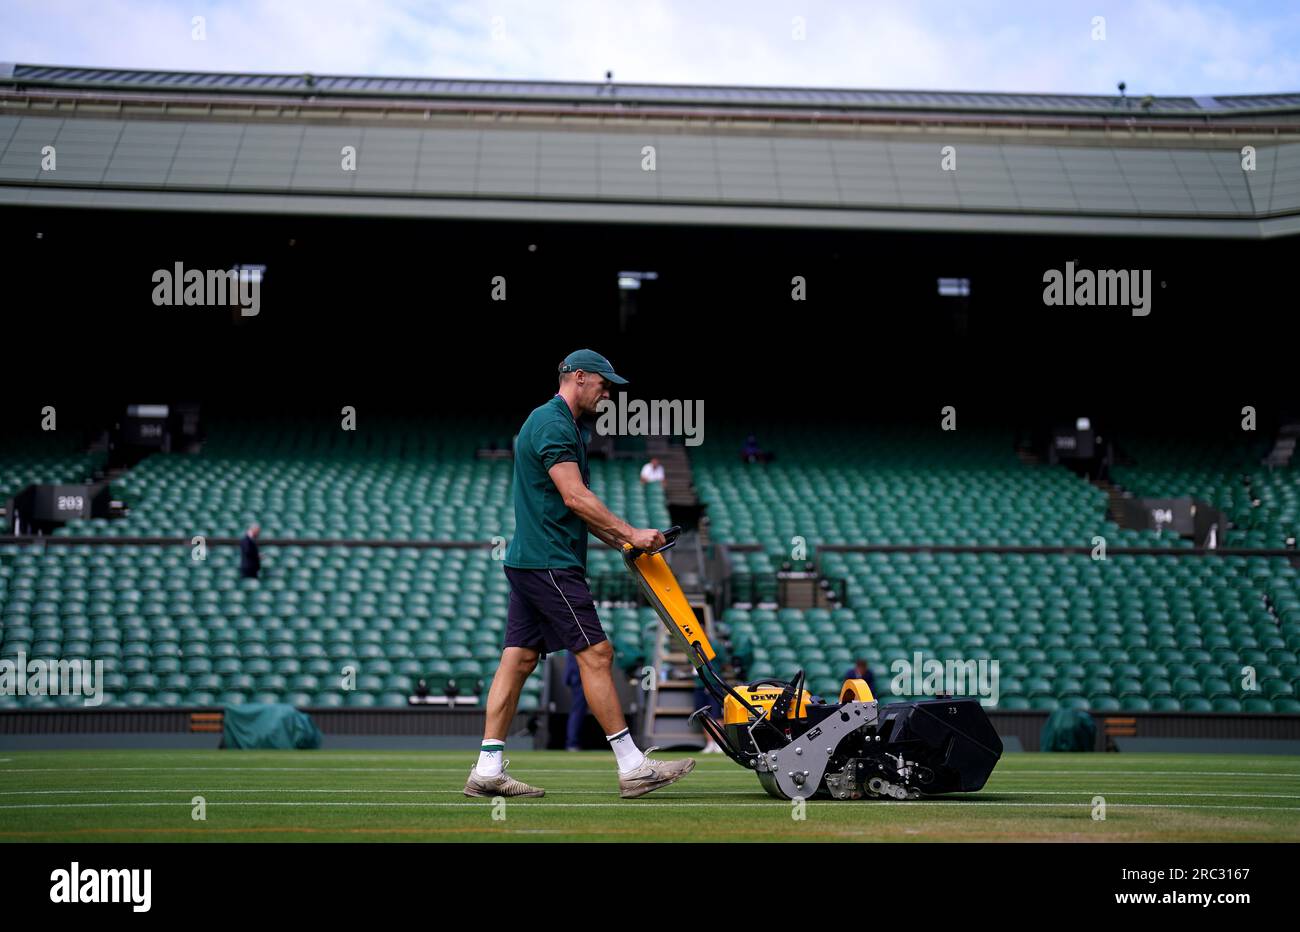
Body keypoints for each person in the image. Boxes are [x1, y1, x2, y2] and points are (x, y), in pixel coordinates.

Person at [464, 349, 695, 799]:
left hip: (532, 560)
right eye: (604, 384)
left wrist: (624, 541)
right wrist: (629, 531)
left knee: (519, 659)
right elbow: (574, 497)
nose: (608, 392)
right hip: (549, 561)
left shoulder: (565, 427)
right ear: (580, 377)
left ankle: (487, 770)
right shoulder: (553, 423)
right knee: (598, 654)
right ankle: (632, 766)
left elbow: (577, 507)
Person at [564, 652, 587, 751]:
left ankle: (573, 743)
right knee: (577, 711)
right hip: (579, 678)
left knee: (577, 711)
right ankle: (572, 743)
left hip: (578, 678)